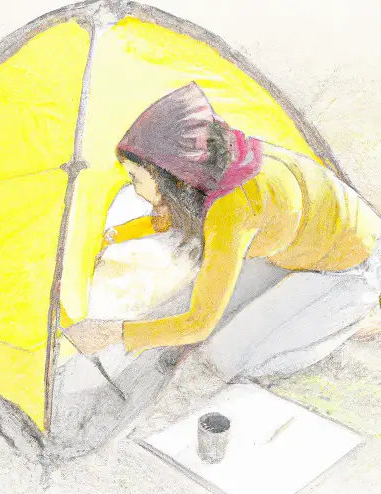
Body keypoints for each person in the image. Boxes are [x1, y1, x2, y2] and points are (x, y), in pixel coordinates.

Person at [64, 81, 381, 381]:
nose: (135, 189)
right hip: (291, 250)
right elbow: (166, 219)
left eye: (136, 178)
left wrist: (114, 333)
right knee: (189, 311)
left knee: (231, 359)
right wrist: (113, 236)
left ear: (171, 177)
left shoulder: (233, 209)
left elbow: (198, 324)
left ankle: (353, 318)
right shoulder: (210, 168)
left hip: (352, 267)